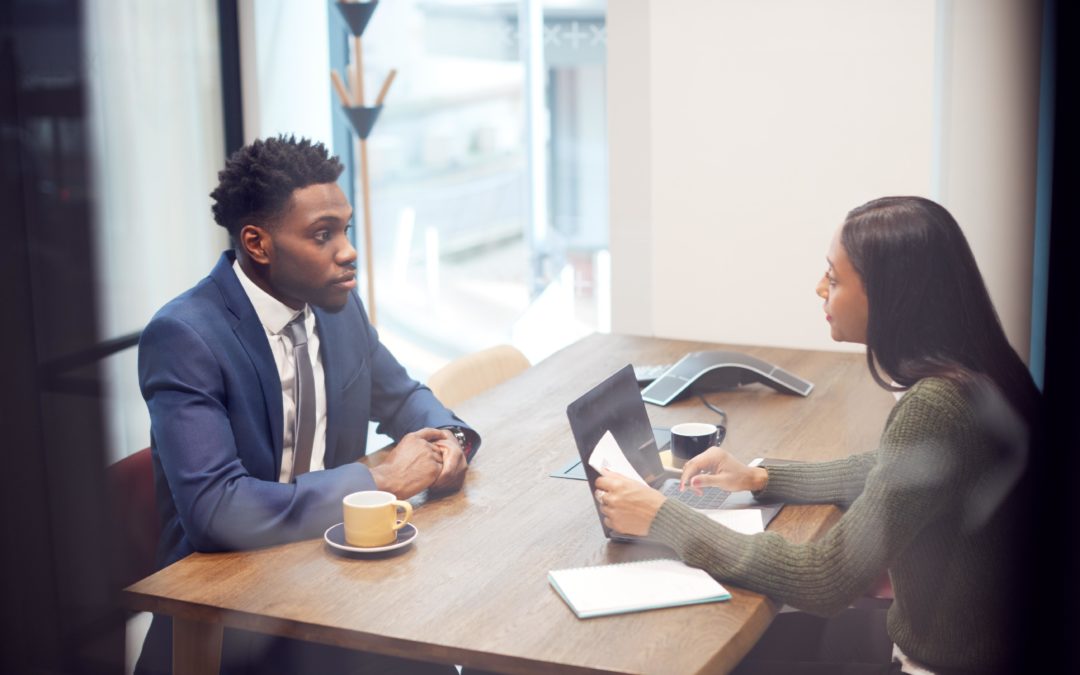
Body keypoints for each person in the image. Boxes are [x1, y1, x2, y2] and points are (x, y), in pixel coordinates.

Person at [595, 196, 1040, 675]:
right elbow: (884, 472)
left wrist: (662, 517)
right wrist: (758, 477)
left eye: (833, 276)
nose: (818, 288)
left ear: (890, 295)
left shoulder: (935, 407)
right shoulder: (983, 374)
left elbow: (824, 579)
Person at [135, 135, 478, 675]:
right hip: (228, 616)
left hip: (333, 581)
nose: (348, 250)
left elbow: (404, 396)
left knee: (461, 641)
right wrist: (381, 483)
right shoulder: (185, 337)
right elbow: (217, 511)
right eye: (323, 235)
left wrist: (448, 441)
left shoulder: (336, 308)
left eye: (346, 229)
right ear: (258, 243)